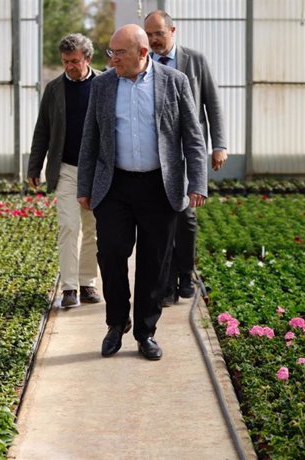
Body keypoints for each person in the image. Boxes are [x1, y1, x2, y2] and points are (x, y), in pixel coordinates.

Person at [77, 24, 208, 360]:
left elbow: (192, 137)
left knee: (154, 262)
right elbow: (90, 139)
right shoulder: (103, 84)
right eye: (111, 51)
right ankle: (115, 323)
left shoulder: (174, 82)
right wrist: (84, 187)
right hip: (114, 185)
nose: (113, 58)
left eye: (119, 52)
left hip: (159, 186)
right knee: (111, 254)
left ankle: (145, 332)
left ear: (142, 53)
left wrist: (198, 182)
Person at [143, 10, 227, 306]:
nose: (153, 40)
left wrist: (219, 145)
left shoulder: (195, 60)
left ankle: (185, 272)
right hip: (157, 155)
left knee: (186, 219)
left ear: (172, 30)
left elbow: (212, 106)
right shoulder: (144, 63)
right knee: (161, 221)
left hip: (187, 152)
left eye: (158, 33)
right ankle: (165, 284)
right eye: (149, 34)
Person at [28, 33, 102, 308]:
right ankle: (69, 288)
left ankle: (87, 283)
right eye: (65, 61)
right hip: (67, 169)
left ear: (87, 58)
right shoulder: (54, 89)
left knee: (93, 229)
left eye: (74, 61)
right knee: (69, 227)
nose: (69, 66)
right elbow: (43, 129)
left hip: (97, 171)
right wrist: (35, 166)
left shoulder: (104, 83)